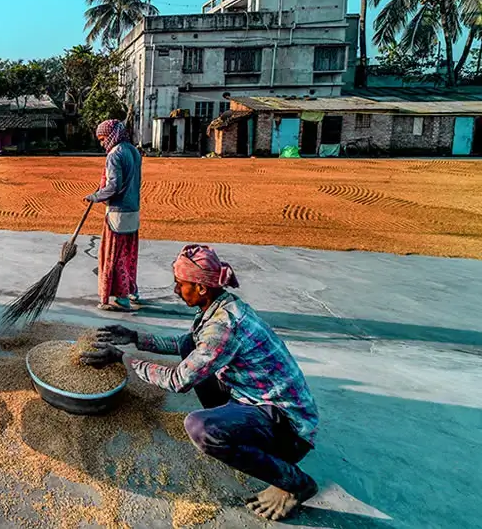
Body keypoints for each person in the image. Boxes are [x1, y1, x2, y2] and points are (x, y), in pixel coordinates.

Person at [81, 244, 319, 522]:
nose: (175, 290)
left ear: (201, 288)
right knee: (189, 348)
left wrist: (124, 360)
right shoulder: (220, 307)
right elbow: (187, 344)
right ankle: (235, 433)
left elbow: (177, 380)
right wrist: (135, 337)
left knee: (201, 428)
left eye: (180, 284)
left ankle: (294, 483)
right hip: (253, 398)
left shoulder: (224, 325)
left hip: (287, 429)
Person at [84, 119, 142, 312]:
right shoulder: (133, 151)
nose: (102, 143)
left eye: (102, 139)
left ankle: (122, 298)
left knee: (113, 256)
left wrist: (95, 196)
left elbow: (113, 187)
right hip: (133, 211)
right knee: (128, 255)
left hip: (118, 214)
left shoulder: (114, 154)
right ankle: (132, 291)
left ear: (111, 136)